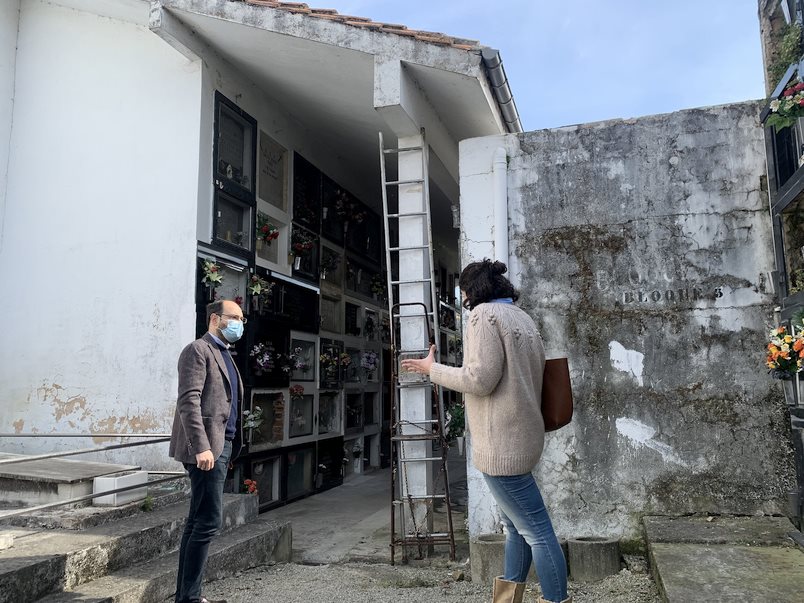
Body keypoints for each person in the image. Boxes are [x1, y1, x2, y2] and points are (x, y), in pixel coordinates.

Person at [401, 259, 570, 603]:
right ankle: (507, 599)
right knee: (517, 530)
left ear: (472, 291)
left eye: (463, 291)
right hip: (524, 436)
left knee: (536, 531)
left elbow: (479, 379)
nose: (463, 299)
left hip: (501, 444)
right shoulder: (522, 318)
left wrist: (432, 369)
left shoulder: (483, 317)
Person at [169, 299, 246, 603]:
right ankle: (189, 598)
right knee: (208, 521)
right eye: (234, 317)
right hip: (206, 450)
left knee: (197, 521)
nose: (240, 323)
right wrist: (201, 447)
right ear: (215, 318)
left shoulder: (224, 352)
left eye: (242, 319)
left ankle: (187, 597)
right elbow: (188, 401)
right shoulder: (197, 350)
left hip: (221, 445)